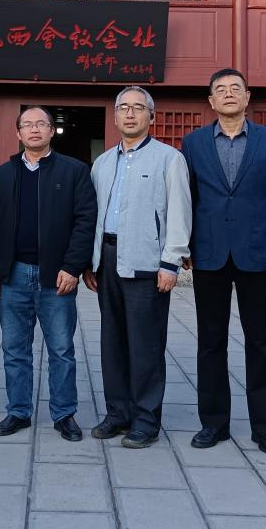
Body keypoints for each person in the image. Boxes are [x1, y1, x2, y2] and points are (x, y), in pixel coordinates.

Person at [180, 68, 266, 455]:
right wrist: (183, 246)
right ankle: (213, 424)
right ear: (211, 101)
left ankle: (264, 428)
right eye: (220, 90)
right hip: (209, 253)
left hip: (258, 254)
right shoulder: (193, 143)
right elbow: (187, 199)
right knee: (210, 343)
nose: (228, 94)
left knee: (260, 342)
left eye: (235, 88)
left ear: (247, 97)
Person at [84, 86, 191, 449]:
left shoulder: (169, 159)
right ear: (115, 116)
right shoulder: (102, 163)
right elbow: (94, 215)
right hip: (108, 260)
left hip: (147, 263)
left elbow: (179, 213)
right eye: (123, 108)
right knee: (112, 342)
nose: (130, 114)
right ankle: (117, 413)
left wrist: (171, 262)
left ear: (151, 116)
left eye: (138, 108)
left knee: (146, 345)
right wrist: (90, 261)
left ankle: (146, 419)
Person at [0, 106, 97, 441]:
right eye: (27, 125)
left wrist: (72, 267)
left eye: (41, 124)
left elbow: (85, 221)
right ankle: (18, 411)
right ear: (18, 133)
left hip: (56, 276)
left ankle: (64, 414)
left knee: (61, 349)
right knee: (15, 349)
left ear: (51, 131)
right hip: (13, 275)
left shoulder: (74, 170)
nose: (34, 130)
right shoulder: (6, 173)